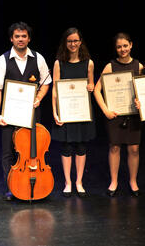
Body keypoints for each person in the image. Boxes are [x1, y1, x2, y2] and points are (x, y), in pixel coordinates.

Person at [0, 22, 51, 201]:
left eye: (24, 36)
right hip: (9, 114)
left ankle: (32, 185)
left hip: (32, 114)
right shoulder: (3, 59)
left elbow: (46, 83)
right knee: (8, 152)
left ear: (29, 38)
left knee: (31, 152)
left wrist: (39, 98)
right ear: (11, 39)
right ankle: (11, 188)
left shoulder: (38, 58)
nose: (21, 39)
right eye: (17, 36)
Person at [93, 32, 144, 196]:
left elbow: (143, 92)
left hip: (133, 114)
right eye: (119, 47)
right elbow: (96, 90)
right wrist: (105, 110)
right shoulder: (110, 66)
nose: (122, 49)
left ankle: (133, 182)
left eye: (125, 45)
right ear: (116, 49)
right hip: (115, 114)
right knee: (114, 147)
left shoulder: (139, 66)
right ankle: (113, 181)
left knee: (134, 149)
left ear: (131, 45)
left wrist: (140, 103)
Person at [51, 28, 95, 198]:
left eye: (76, 41)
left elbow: (91, 85)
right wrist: (55, 112)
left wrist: (91, 87)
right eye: (70, 41)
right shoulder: (58, 63)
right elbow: (55, 89)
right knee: (67, 147)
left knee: (81, 146)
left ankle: (79, 182)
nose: (73, 44)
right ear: (65, 43)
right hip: (66, 112)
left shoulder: (88, 63)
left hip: (82, 112)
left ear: (80, 42)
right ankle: (68, 182)